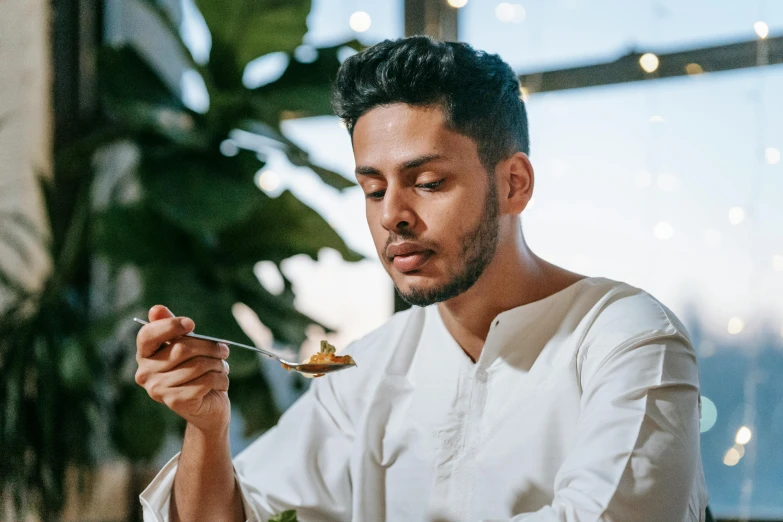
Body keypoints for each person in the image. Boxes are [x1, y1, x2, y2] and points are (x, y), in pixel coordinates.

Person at [136, 36, 708, 522]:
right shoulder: (363, 373)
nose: (392, 216)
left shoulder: (628, 338)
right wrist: (207, 430)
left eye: (428, 182)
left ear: (513, 184)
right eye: (374, 189)